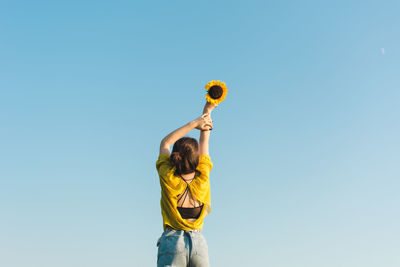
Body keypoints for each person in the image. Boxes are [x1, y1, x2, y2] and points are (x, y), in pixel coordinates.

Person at [155, 102, 216, 267]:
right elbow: (204, 141)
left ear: (175, 157)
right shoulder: (203, 177)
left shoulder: (168, 176)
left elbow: (165, 143)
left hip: (172, 242)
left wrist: (193, 123)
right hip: (198, 245)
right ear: (197, 160)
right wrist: (207, 110)